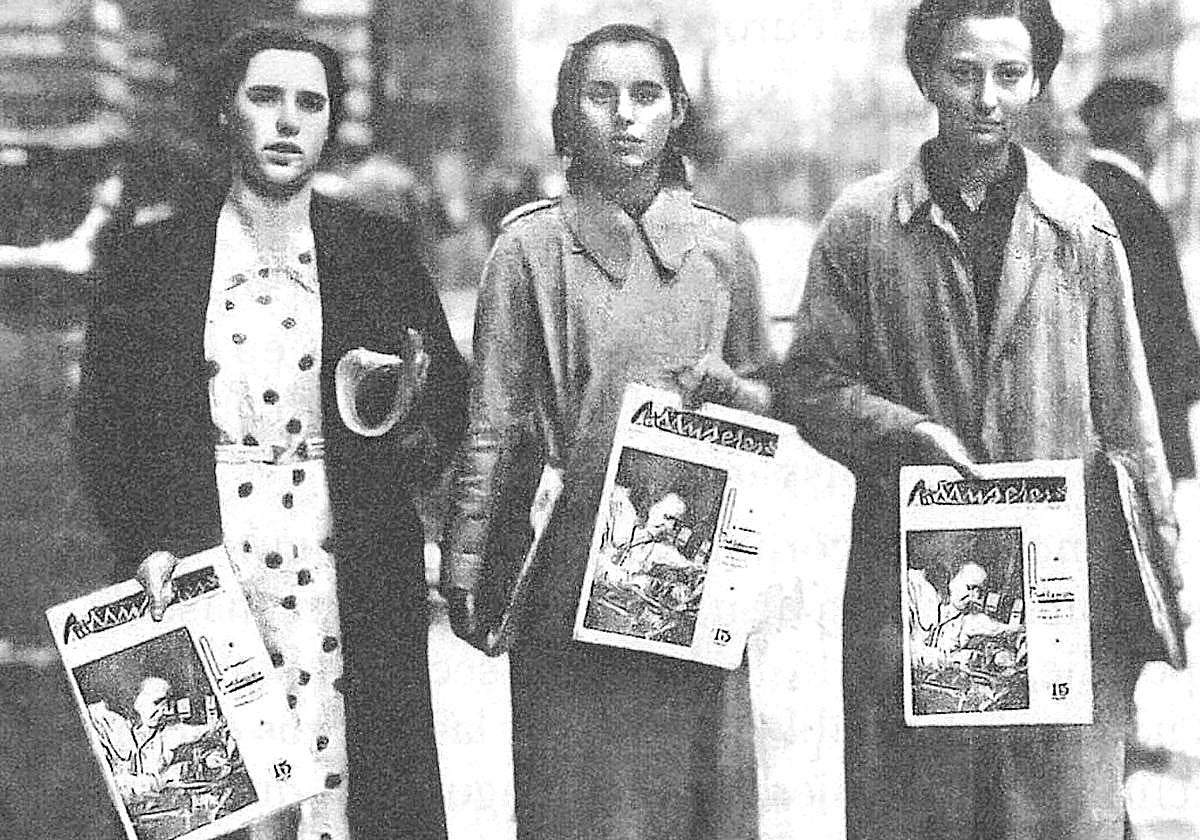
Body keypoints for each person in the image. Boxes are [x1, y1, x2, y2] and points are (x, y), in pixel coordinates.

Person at [774, 1, 1183, 837]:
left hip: (1059, 578)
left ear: (1037, 83)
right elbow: (810, 381)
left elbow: (1131, 417)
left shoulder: (1080, 226)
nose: (986, 98)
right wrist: (904, 431)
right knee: (922, 812)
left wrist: (1161, 587)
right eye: (963, 73)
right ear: (926, 77)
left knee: (1054, 811)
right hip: (912, 577)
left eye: (1009, 74)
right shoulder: (862, 225)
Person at [74, 27, 467, 840]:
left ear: (330, 127)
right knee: (218, 794)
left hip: (348, 557)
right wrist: (147, 540)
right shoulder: (153, 258)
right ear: (226, 110)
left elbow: (446, 410)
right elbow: (106, 425)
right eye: (266, 98)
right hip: (206, 554)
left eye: (310, 103)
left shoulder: (377, 248)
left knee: (353, 782)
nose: (288, 122)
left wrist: (414, 401)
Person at [442, 22, 770, 840]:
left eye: (645, 95)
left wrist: (730, 387)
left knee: (695, 803)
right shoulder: (527, 249)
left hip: (689, 574)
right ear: (567, 114)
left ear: (677, 111)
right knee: (579, 806)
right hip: (564, 569)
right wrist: (469, 559)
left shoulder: (722, 248)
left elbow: (772, 394)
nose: (624, 116)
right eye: (601, 95)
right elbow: (492, 420)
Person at [1080, 77, 1200, 481]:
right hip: (1146, 408)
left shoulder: (1095, 190)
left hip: (1130, 404)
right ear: (1141, 129)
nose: (1162, 141)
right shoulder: (1126, 201)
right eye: (1158, 127)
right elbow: (1153, 320)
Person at [89, 676, 219, 799]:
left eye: (166, 703)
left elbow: (195, 739)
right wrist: (163, 779)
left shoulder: (164, 732)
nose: (163, 711)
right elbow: (112, 788)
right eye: (157, 702)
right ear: (134, 698)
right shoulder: (103, 725)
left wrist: (207, 758)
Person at [906, 560, 1017, 668]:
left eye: (979, 591)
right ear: (953, 576)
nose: (974, 597)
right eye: (969, 588)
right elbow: (906, 652)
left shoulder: (962, 615)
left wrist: (997, 654)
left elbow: (996, 630)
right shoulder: (914, 588)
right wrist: (953, 660)